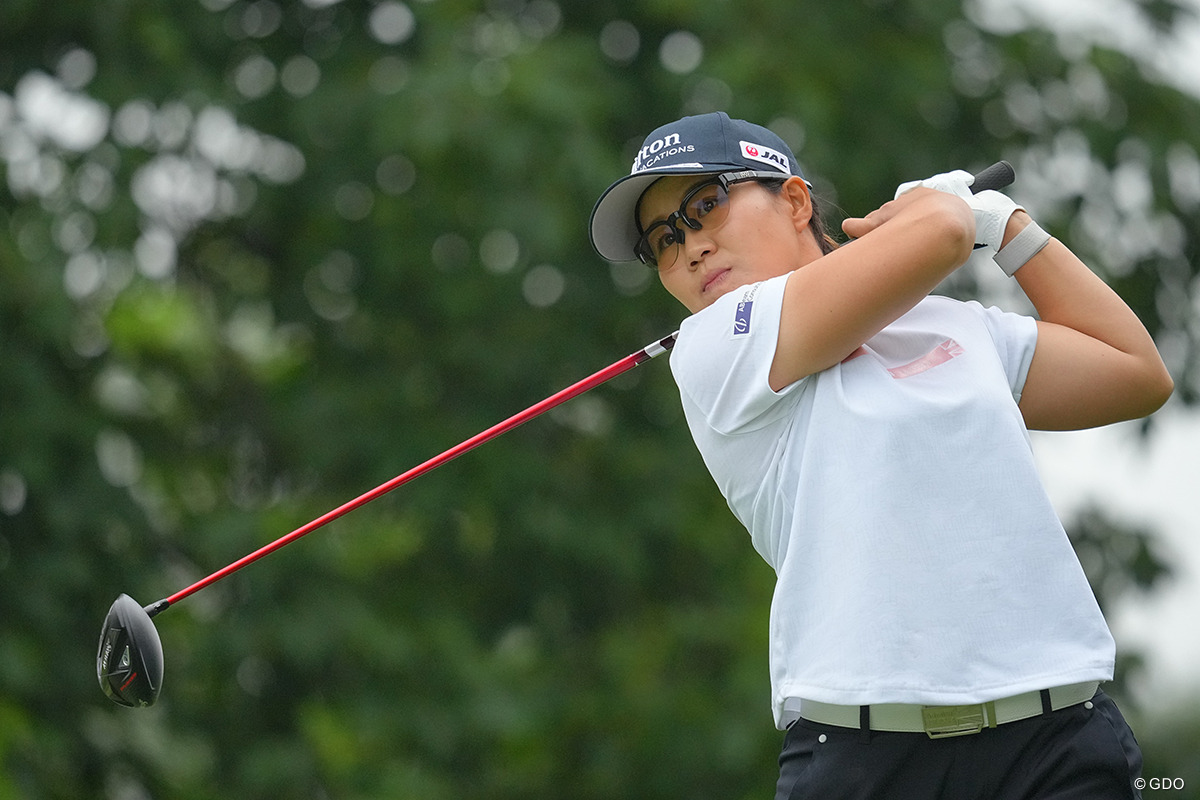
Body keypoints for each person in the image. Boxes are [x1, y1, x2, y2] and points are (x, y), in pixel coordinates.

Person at [588, 111, 1173, 799]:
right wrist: (946, 208)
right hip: (867, 758)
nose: (688, 246)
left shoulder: (952, 324)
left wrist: (1008, 227)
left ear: (797, 200)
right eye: (662, 238)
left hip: (1058, 739)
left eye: (705, 204)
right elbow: (944, 233)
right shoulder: (716, 345)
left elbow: (1136, 373)